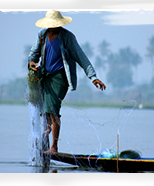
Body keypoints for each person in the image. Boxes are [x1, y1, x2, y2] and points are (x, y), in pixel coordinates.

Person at [28, 10, 106, 155]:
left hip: (60, 78)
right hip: (45, 77)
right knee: (46, 110)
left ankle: (54, 147)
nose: (54, 27)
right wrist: (32, 63)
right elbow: (33, 55)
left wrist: (93, 77)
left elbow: (81, 57)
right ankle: (46, 138)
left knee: (53, 109)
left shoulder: (68, 37)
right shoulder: (42, 35)